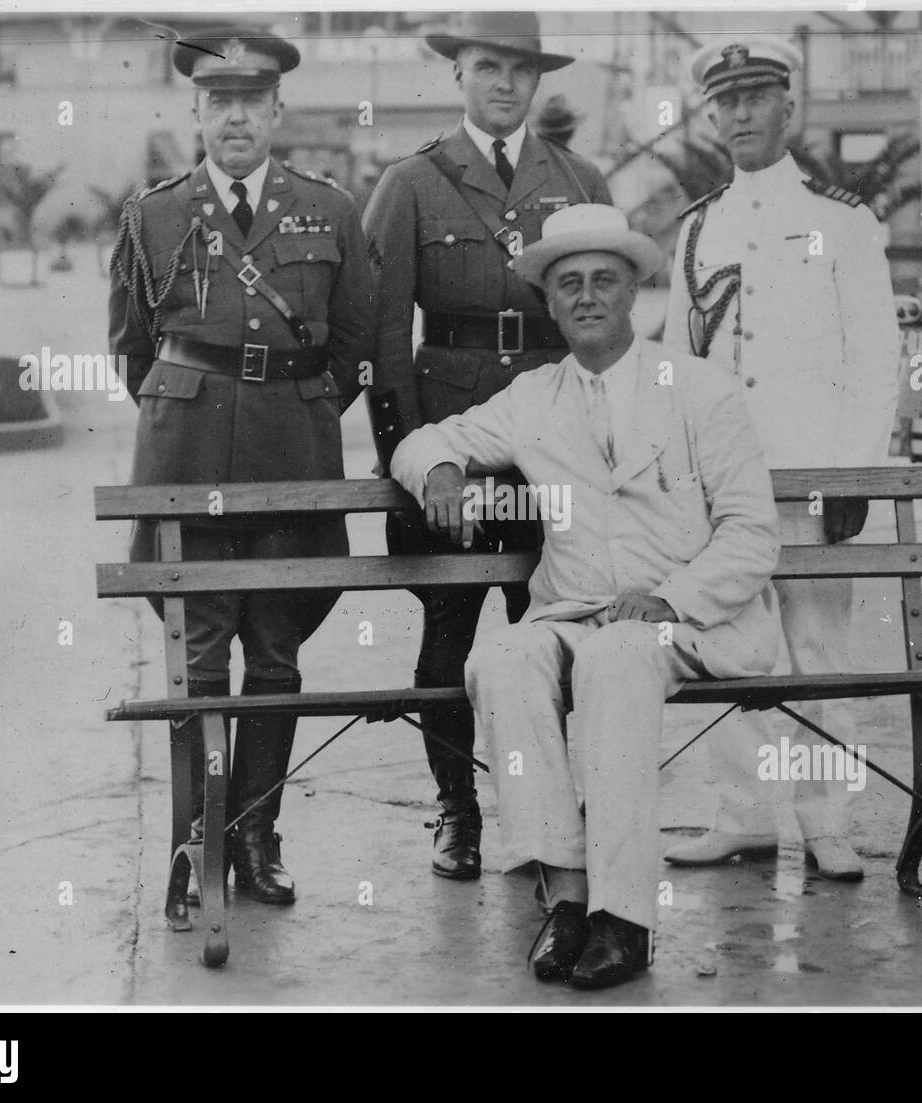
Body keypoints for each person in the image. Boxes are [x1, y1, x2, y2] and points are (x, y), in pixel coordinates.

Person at [390, 204, 781, 989]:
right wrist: (438, 470)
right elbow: (425, 440)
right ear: (550, 301)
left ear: (634, 288)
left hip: (695, 622)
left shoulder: (702, 391)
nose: (587, 296)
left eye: (605, 279)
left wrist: (669, 598)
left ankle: (624, 919)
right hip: (573, 616)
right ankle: (566, 898)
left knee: (619, 658)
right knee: (500, 654)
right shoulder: (534, 396)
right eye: (569, 284)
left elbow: (752, 536)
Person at [109, 27, 375, 904]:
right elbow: (131, 348)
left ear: (276, 111)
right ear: (197, 110)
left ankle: (256, 832)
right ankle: (198, 837)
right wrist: (193, 405)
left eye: (250, 103)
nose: (235, 118)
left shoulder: (330, 210)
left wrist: (294, 407)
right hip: (186, 457)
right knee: (199, 647)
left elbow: (353, 343)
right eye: (218, 102)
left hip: (292, 453)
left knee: (276, 647)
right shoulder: (153, 214)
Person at [362, 12, 612, 881]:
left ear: (537, 81)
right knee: (447, 637)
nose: (503, 84)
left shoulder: (578, 180)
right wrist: (411, 453)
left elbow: (603, 325)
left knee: (557, 630)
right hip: (451, 445)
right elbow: (386, 339)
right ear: (458, 73)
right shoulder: (413, 183)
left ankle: (549, 810)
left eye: (518, 70)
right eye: (486, 67)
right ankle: (456, 811)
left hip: (553, 442)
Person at [661, 36, 901, 879]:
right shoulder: (698, 227)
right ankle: (743, 815)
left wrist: (854, 471)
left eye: (755, 96)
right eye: (724, 101)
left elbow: (876, 359)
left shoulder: (840, 219)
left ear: (787, 104)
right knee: (729, 644)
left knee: (817, 653)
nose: (737, 115)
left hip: (811, 481)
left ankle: (826, 822)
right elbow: (674, 371)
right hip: (722, 490)